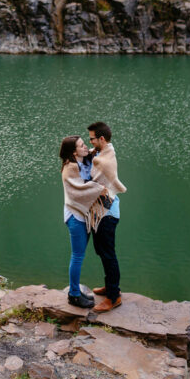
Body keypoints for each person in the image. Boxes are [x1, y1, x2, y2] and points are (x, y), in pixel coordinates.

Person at [86, 121, 126, 313]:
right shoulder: (103, 151)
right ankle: (110, 286)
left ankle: (114, 296)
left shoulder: (104, 160)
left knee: (108, 254)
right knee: (102, 252)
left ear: (101, 138)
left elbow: (96, 181)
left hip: (107, 213)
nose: (90, 142)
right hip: (103, 211)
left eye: (92, 139)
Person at [59, 135, 98, 309]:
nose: (86, 147)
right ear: (74, 152)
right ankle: (74, 295)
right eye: (82, 145)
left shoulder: (82, 160)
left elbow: (95, 152)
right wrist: (99, 188)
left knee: (79, 255)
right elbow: (78, 191)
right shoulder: (70, 168)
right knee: (77, 256)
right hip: (75, 216)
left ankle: (76, 291)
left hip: (84, 215)